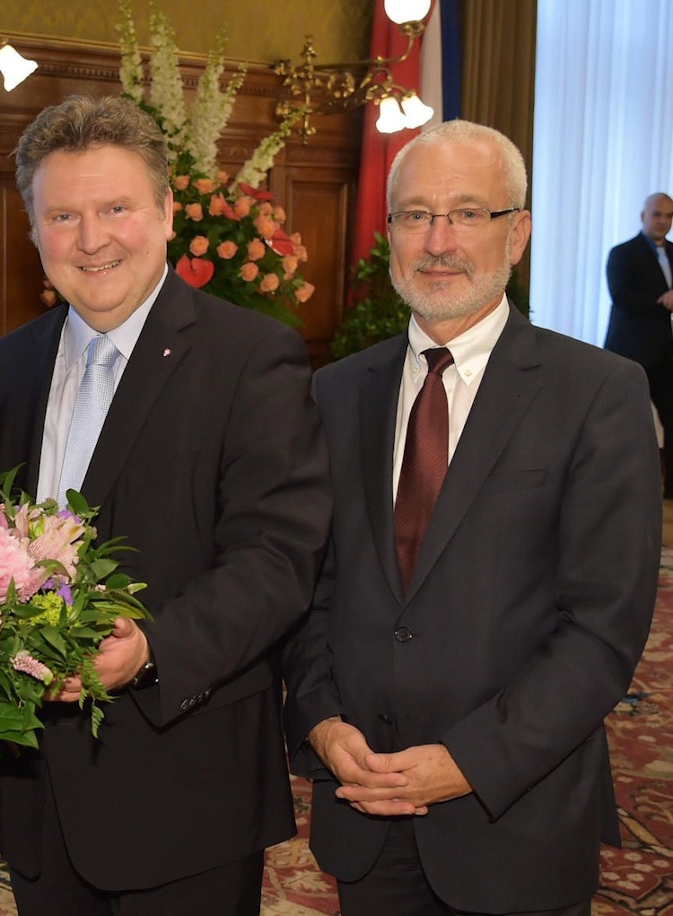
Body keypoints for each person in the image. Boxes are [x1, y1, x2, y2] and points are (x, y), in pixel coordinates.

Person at [282, 120, 661, 916]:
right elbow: (308, 588)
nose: (438, 241)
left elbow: (602, 629)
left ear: (516, 233)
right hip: (364, 807)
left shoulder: (598, 393)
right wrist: (320, 723)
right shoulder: (336, 392)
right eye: (415, 215)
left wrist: (468, 760)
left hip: (513, 816)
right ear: (389, 233)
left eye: (466, 213)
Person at [0, 94, 331, 915]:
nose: (91, 239)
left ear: (167, 212)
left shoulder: (252, 357)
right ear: (33, 232)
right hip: (36, 795)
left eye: (116, 208)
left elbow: (278, 558)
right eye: (62, 215)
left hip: (184, 795)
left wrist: (152, 649)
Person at [603, 192, 673, 495]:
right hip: (629, 352)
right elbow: (621, 296)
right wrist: (663, 302)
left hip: (666, 352)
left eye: (669, 216)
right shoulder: (622, 253)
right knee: (624, 421)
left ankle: (669, 489)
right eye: (657, 214)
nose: (663, 221)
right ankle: (618, 487)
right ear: (643, 216)